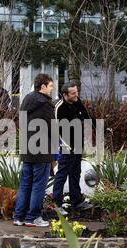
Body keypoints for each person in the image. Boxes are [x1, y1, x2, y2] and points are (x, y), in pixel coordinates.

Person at [13, 73, 54, 227]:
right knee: (38, 185)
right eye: (50, 86)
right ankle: (33, 218)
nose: (51, 90)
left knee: (24, 184)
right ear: (42, 86)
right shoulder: (45, 103)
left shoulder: (26, 100)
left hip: (27, 149)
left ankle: (19, 217)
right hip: (41, 150)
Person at [52, 81, 95, 215]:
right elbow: (56, 129)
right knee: (62, 174)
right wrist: (67, 145)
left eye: (77, 92)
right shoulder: (60, 107)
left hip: (78, 144)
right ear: (65, 95)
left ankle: (77, 202)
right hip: (67, 146)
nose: (76, 95)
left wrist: (100, 129)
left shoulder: (76, 101)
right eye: (73, 93)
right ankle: (56, 204)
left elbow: (87, 116)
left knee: (76, 173)